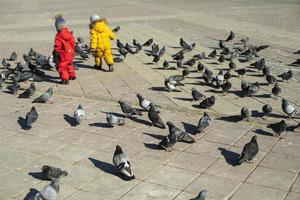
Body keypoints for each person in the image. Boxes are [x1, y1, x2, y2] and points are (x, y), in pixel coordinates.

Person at [53, 14, 76, 84]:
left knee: (62, 66)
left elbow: (58, 45)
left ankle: (65, 79)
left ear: (57, 27)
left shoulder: (59, 35)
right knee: (69, 64)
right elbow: (73, 43)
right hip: (70, 53)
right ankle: (72, 76)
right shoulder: (69, 33)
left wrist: (56, 52)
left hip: (63, 54)